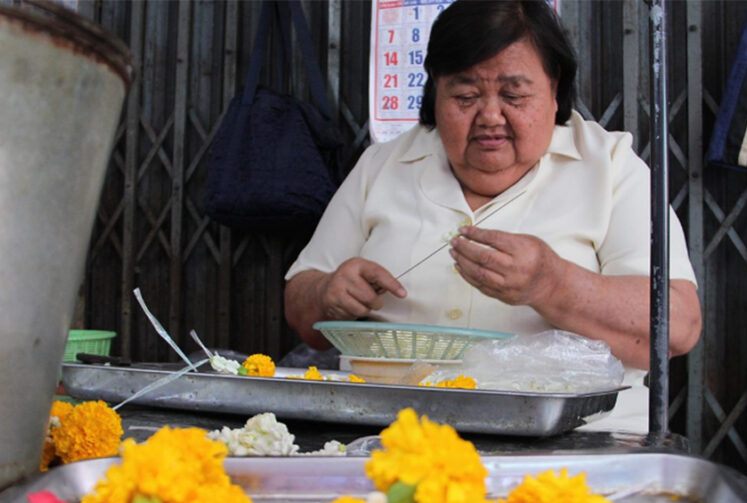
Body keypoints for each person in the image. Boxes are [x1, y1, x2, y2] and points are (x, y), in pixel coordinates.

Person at [283, 0, 701, 433]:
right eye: (465, 96)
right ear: (435, 92)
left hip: (574, 447)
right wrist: (329, 292)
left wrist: (552, 283)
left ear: (554, 89)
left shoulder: (611, 168)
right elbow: (301, 305)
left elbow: (679, 327)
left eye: (514, 95)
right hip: (392, 438)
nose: (490, 117)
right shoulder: (384, 166)